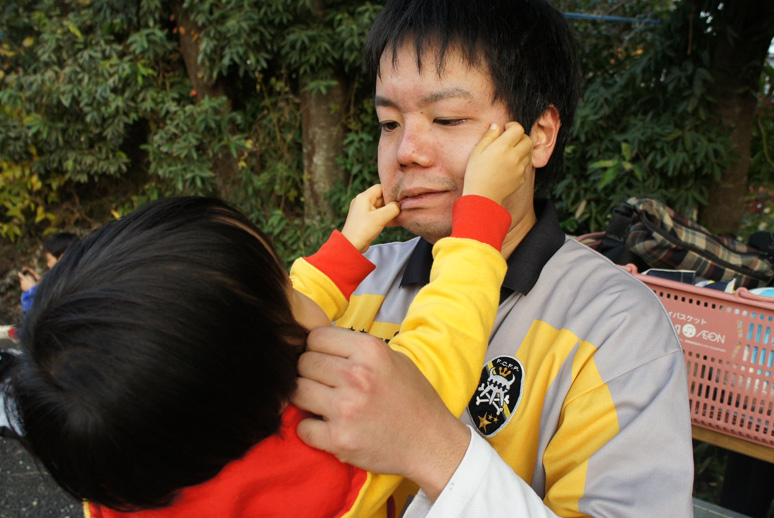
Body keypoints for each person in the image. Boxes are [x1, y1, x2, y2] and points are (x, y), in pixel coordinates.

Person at [291, 0, 695, 517]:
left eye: (447, 118)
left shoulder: (615, 328)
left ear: (539, 136)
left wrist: (431, 444)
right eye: (389, 123)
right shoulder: (357, 284)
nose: (406, 151)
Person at [8, 122, 532, 517]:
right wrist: (479, 216)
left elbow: (256, 319)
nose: (408, 149)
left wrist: (347, 247)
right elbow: (433, 360)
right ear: (276, 387)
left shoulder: (127, 458)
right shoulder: (318, 460)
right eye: (286, 282)